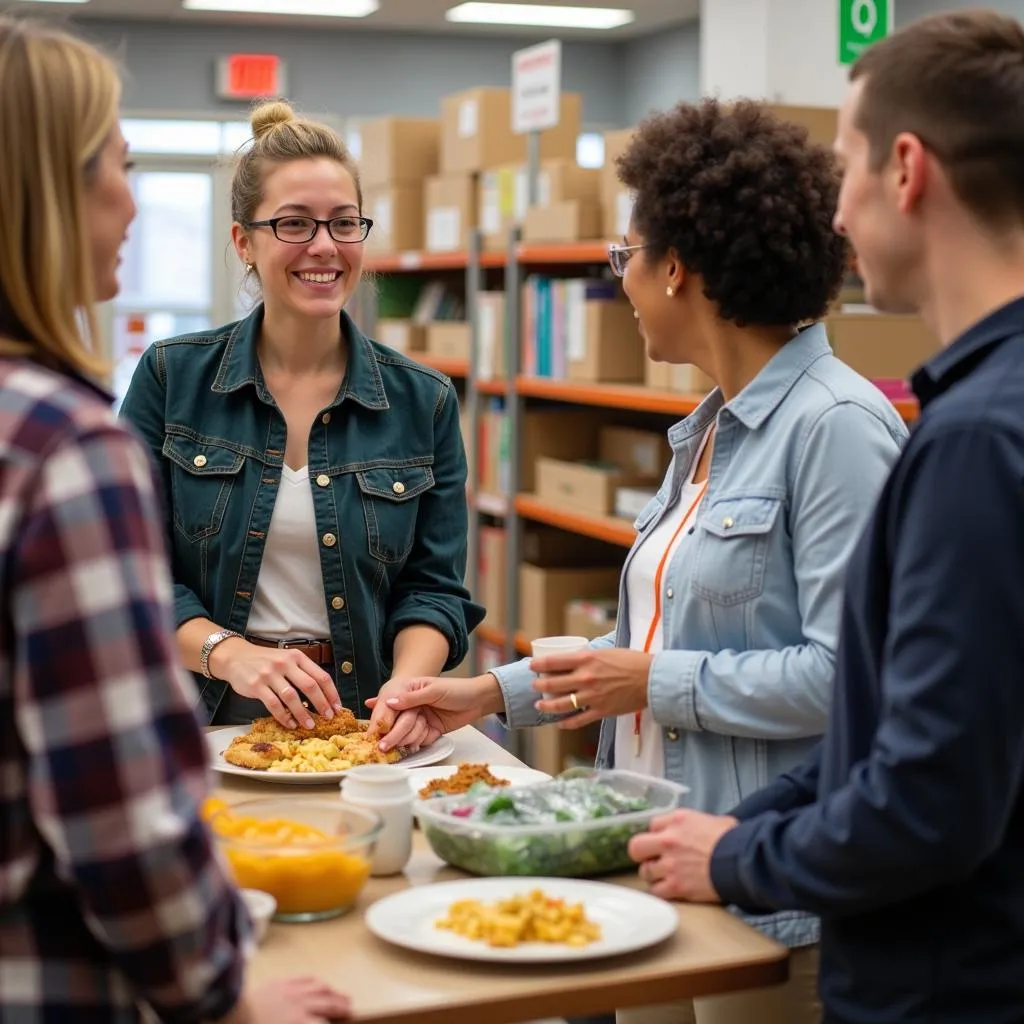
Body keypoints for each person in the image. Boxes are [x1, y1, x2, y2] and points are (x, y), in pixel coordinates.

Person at [369, 99, 908, 1024]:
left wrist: (653, 681)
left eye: (624, 257)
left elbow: (846, 678)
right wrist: (493, 695)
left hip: (765, 894)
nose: (617, 281)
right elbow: (642, 643)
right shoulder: (707, 430)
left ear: (678, 269)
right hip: (653, 854)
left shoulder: (837, 429)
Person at [625, 10, 1024, 1024]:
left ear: (906, 169)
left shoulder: (972, 436)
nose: (834, 218)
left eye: (845, 170)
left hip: (939, 983)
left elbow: (926, 795)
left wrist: (740, 850)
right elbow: (886, 731)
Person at [0, 17, 349, 1024]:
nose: (132, 200)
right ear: (51, 193)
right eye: (121, 164)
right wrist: (225, 993)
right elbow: (117, 815)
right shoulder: (65, 446)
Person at [120, 99, 482, 731]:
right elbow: (127, 569)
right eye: (294, 225)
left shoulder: (424, 399)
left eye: (344, 224)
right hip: (194, 720)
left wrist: (403, 689)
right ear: (244, 243)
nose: (324, 246)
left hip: (359, 720)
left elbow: (434, 589)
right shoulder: (171, 377)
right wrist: (230, 654)